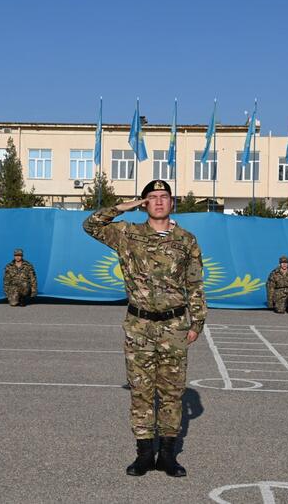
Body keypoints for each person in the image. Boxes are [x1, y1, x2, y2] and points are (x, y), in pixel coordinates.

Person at [84, 179, 206, 478]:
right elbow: (90, 225)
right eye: (152, 197)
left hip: (174, 325)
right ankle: (143, 454)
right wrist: (122, 206)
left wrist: (197, 321)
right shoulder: (128, 234)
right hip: (139, 325)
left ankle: (167, 455)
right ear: (144, 204)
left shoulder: (186, 240)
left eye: (164, 196)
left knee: (171, 393)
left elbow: (194, 283)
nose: (159, 201)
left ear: (172, 203)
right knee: (140, 391)